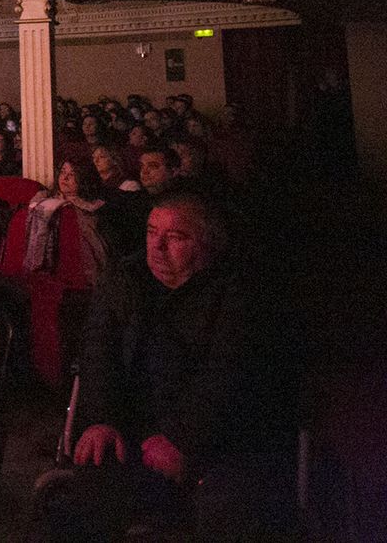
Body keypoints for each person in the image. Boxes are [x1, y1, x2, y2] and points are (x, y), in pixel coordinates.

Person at [42, 193, 271, 542]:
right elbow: (97, 354)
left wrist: (183, 439)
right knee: (76, 507)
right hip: (127, 429)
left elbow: (229, 373)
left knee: (226, 513)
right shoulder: (125, 279)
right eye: (151, 233)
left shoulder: (236, 293)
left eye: (175, 237)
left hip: (210, 440)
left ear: (207, 244)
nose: (157, 247)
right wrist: (101, 418)